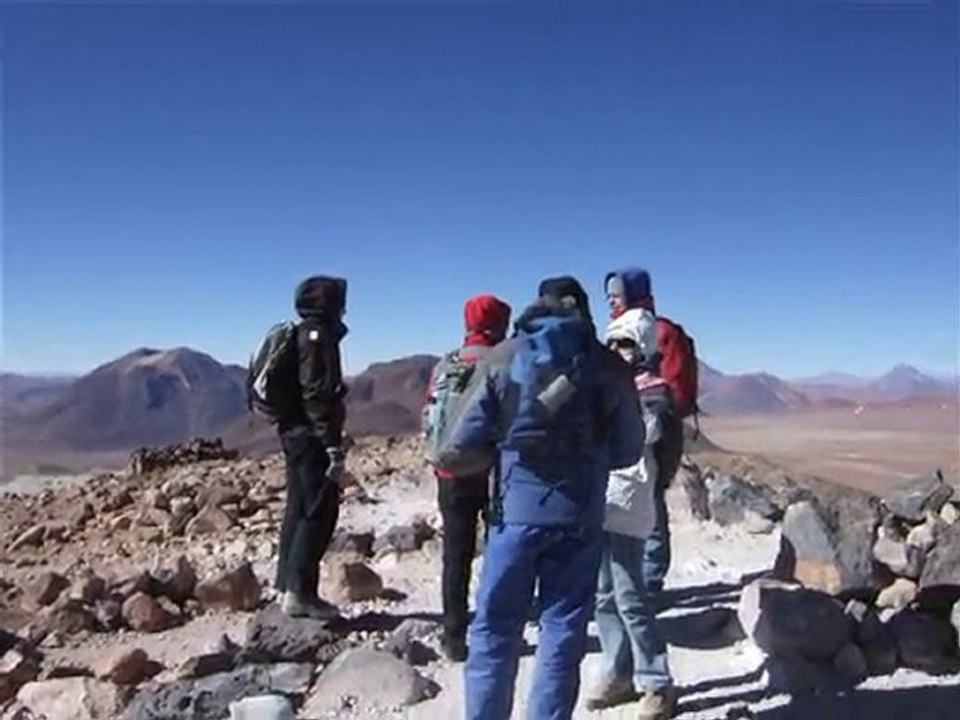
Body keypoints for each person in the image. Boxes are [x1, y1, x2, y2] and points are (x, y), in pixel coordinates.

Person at [441, 276, 644, 720]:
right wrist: (587, 456)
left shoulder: (502, 359)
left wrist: (503, 451)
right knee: (562, 630)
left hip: (513, 516)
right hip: (579, 517)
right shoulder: (607, 367)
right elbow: (630, 449)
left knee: (495, 630)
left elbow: (452, 451)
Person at [585, 307, 681, 719]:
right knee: (604, 595)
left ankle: (657, 682)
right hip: (602, 499)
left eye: (624, 343)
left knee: (630, 596)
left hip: (631, 502)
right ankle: (618, 671)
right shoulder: (609, 387)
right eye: (611, 343)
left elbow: (651, 434)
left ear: (640, 346)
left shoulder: (653, 391)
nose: (616, 351)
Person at [424, 294, 512, 662]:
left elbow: (429, 413)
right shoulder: (503, 361)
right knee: (499, 551)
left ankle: (454, 635)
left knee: (455, 555)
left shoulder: (446, 363)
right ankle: (494, 628)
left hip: (448, 470)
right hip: (491, 470)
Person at [275, 275, 349, 620]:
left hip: (294, 433)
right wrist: (331, 441)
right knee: (319, 510)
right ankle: (300, 592)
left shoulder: (305, 332)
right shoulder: (318, 337)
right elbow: (316, 393)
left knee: (298, 507)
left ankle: (286, 586)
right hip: (310, 436)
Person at [603, 268, 680, 595]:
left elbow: (672, 384)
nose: (610, 301)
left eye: (616, 295)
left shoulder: (657, 331)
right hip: (628, 424)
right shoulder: (622, 328)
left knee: (652, 511)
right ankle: (635, 584)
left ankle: (649, 583)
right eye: (608, 295)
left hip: (651, 424)